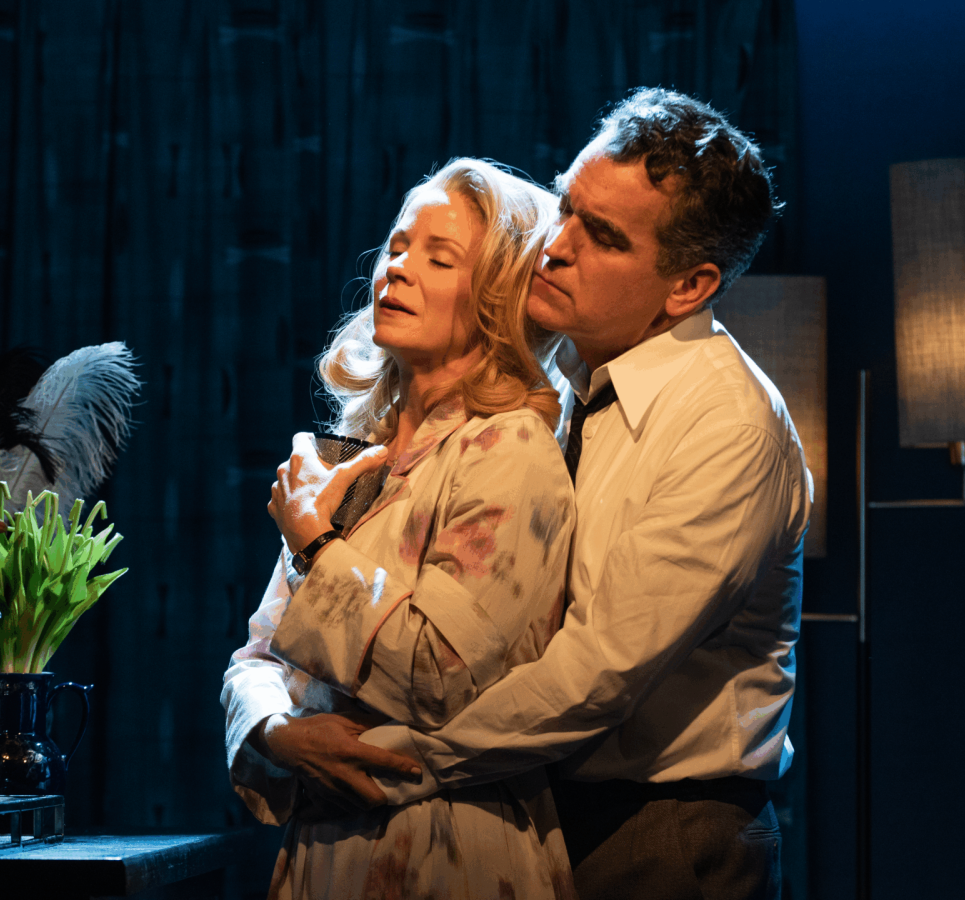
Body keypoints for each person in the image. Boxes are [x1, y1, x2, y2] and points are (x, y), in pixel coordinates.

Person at [271, 88, 812, 900]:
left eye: (603, 237)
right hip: (526, 802)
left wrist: (382, 761)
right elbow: (271, 635)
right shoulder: (545, 376)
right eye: (567, 205)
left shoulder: (728, 428)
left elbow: (594, 676)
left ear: (689, 286)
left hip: (660, 832)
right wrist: (274, 730)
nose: (555, 246)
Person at [222, 158, 581, 899]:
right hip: (325, 854)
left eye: (438, 257)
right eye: (396, 246)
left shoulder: (510, 448)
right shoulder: (352, 460)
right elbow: (257, 656)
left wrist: (316, 544)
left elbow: (442, 678)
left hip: (445, 852)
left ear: (495, 295)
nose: (398, 268)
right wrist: (274, 733)